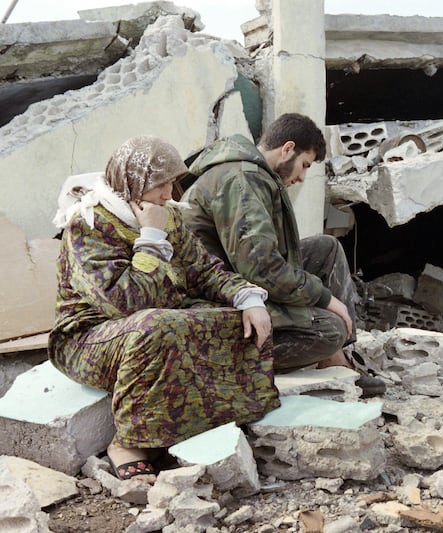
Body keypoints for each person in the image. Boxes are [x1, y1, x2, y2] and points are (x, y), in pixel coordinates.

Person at [48, 136, 280, 483]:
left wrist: (246, 296)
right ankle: (128, 444)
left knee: (237, 320)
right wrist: (152, 236)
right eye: (162, 183)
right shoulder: (88, 224)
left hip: (156, 321)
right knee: (156, 326)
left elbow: (204, 271)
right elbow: (125, 303)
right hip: (89, 339)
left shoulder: (168, 215)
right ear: (133, 182)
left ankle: (200, 420)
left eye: (174, 182)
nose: (171, 194)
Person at [181, 113, 385, 396]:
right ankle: (235, 362)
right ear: (287, 148)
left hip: (236, 277)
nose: (301, 177)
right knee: (330, 329)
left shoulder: (250, 172)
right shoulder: (243, 179)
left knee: (326, 248)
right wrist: (325, 299)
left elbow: (261, 257)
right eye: (304, 165)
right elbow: (260, 268)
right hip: (216, 297)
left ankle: (334, 359)